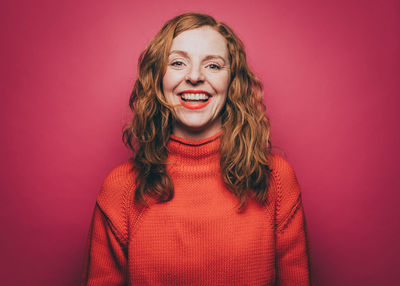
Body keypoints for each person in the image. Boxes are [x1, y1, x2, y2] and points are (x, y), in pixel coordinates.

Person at [81, 12, 312, 285]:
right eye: (178, 62)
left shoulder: (276, 179)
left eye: (213, 66)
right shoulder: (120, 189)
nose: (194, 77)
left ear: (232, 82)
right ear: (158, 79)